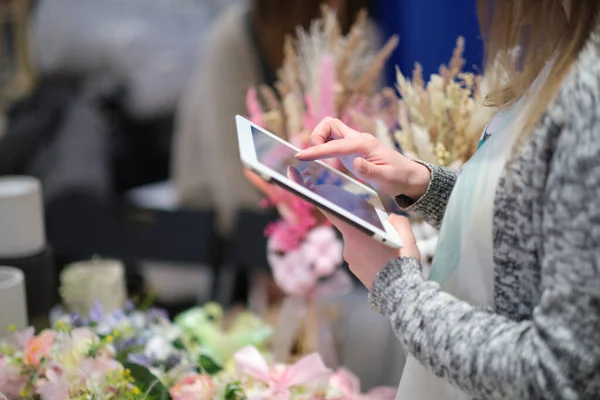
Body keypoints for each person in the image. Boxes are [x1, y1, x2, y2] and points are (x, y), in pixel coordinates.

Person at [297, 0, 600, 399]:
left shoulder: (587, 92)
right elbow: (534, 234)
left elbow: (558, 373)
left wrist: (397, 286)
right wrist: (421, 183)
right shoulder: (565, 58)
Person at [171, 0, 370, 235]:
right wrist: (287, 237)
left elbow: (366, 141)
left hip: (325, 226)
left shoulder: (358, 34)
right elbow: (230, 170)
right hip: (232, 223)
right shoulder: (235, 39)